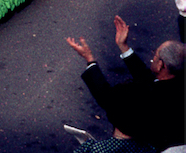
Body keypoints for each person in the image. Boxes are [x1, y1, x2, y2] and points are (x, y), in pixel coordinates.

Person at [66, 16, 185, 152]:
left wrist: (90, 59)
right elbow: (149, 80)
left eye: (155, 55)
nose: (152, 58)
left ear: (161, 65)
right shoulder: (175, 83)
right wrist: (124, 47)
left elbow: (107, 98)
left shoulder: (147, 96)